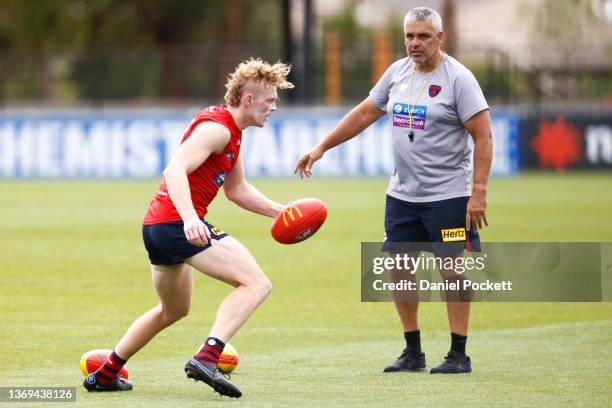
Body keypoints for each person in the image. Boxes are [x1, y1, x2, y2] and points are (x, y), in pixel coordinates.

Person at [294, 7, 493, 374]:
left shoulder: (459, 80)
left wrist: (477, 191)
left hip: (448, 197)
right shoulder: (397, 73)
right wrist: (321, 147)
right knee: (399, 268)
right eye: (409, 36)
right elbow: (364, 113)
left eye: (423, 36)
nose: (414, 43)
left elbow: (483, 134)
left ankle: (458, 353)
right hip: (402, 196)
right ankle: (413, 351)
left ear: (440, 38)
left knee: (451, 269)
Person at [83, 58, 293, 397]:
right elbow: (174, 169)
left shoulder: (232, 134)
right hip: (176, 223)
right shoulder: (219, 129)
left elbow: (236, 190)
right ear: (249, 100)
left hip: (157, 228)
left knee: (174, 310)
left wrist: (280, 211)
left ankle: (106, 373)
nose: (274, 107)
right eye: (270, 101)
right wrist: (191, 219)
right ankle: (207, 358)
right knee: (256, 284)